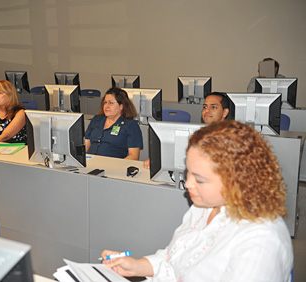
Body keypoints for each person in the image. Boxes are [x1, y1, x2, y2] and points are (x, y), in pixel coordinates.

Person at [102, 120, 293, 282]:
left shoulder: (261, 241)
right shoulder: (204, 207)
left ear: (237, 181)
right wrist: (138, 266)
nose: (188, 184)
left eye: (199, 179)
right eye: (188, 173)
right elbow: (174, 259)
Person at [143, 92, 230, 168]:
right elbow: (181, 152)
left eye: (213, 107)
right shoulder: (199, 134)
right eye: (205, 107)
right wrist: (157, 160)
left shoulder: (229, 138)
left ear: (225, 112)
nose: (207, 110)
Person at [85, 87, 143, 160]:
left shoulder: (130, 125)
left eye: (111, 103)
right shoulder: (96, 120)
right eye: (105, 102)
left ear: (121, 106)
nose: (106, 106)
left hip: (112, 166)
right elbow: (85, 148)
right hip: (90, 163)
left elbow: (134, 156)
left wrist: (117, 167)